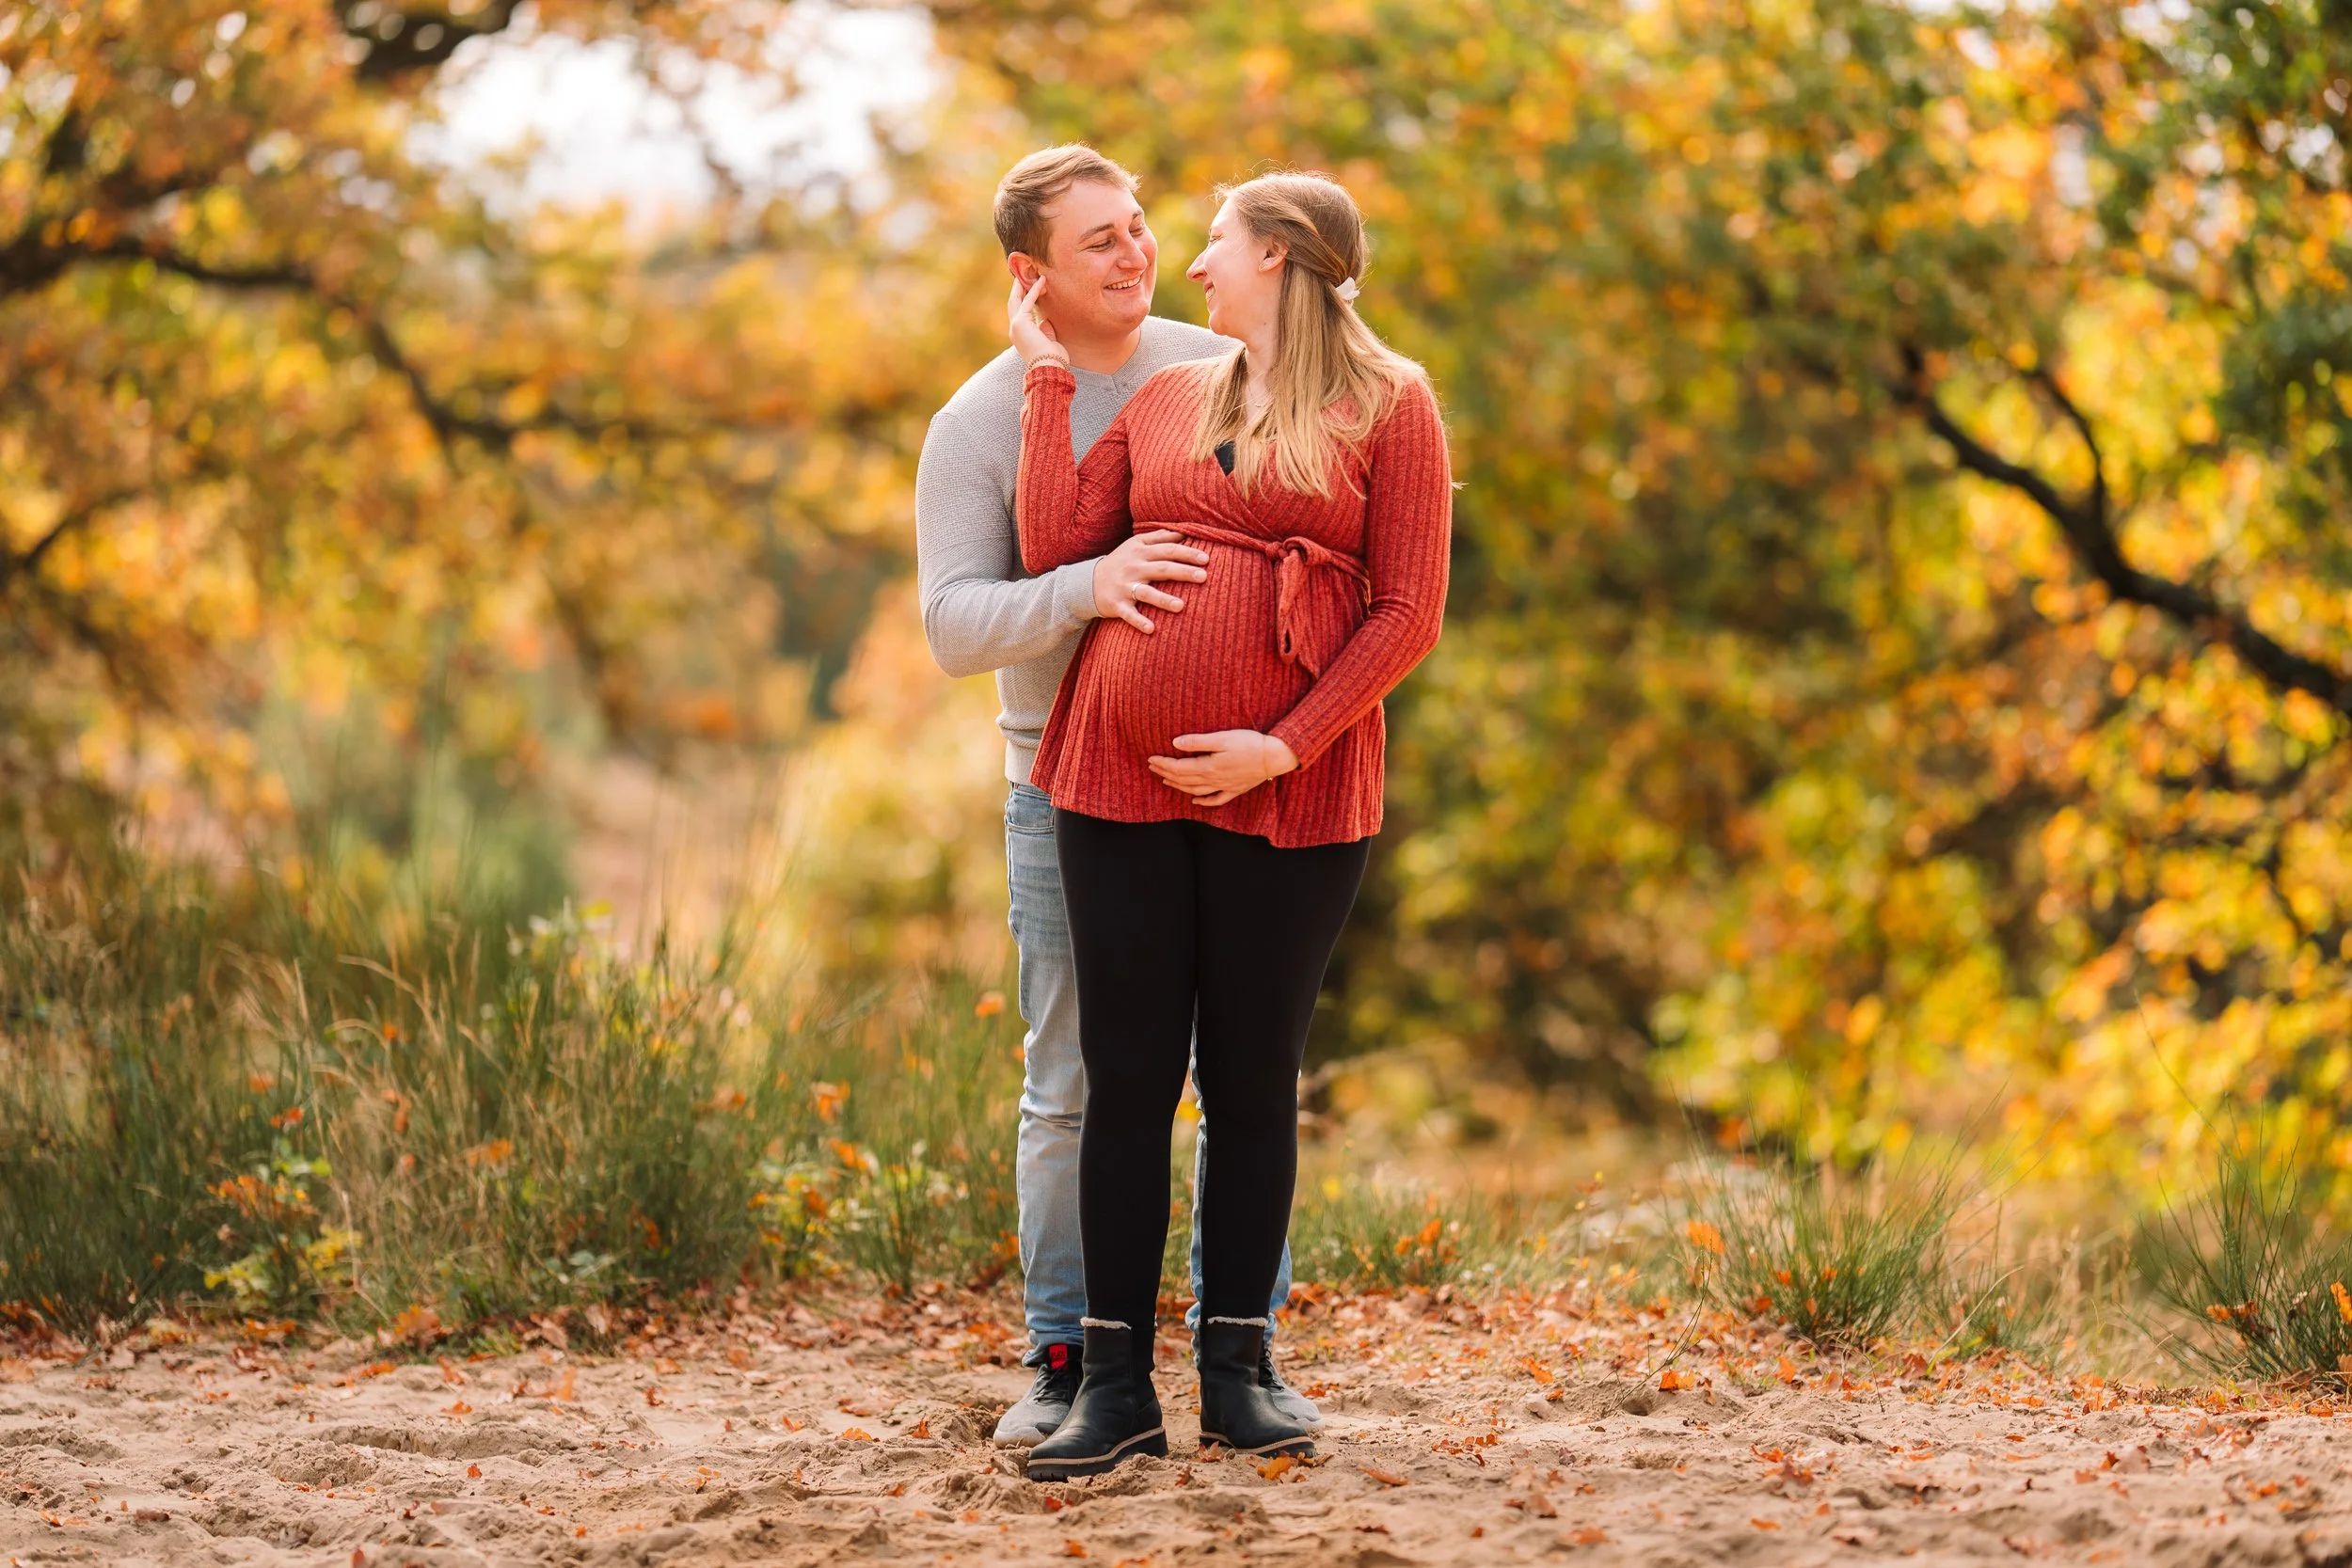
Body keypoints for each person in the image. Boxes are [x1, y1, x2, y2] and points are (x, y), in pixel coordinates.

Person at [1009, 171, 1452, 1481]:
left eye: (1216, 242)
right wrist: (1043, 375)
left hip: (1294, 798)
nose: (1193, 266)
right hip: (1114, 785)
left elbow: (1407, 608)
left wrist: (1282, 742)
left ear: (1285, 257)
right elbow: (1055, 546)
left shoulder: (1392, 403)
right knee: (1128, 1083)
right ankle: (1111, 1387)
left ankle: (1239, 1368)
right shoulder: (1162, 396)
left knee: (1252, 1080)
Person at [913, 145, 1318, 1449]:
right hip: (1062, 791)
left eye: (1139, 227)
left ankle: (1237, 1347)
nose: (1138, 252)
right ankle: (1065, 1353)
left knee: (1241, 1071)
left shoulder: (1213, 370)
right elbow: (953, 622)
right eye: (1100, 240)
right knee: (1079, 1081)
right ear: (1030, 275)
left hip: (1234, 783)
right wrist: (1092, 586)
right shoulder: (977, 421)